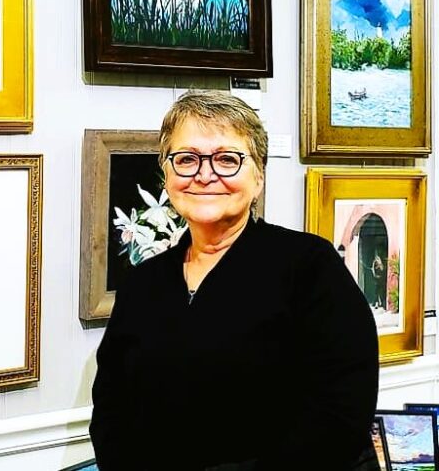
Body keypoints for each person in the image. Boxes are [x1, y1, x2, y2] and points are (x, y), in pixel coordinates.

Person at [90, 90, 379, 470]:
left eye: (227, 159)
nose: (204, 175)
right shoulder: (143, 284)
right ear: (166, 176)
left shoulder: (309, 266)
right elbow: (111, 409)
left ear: (258, 177)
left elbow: (340, 414)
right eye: (187, 159)